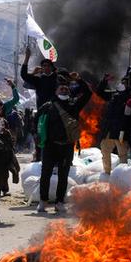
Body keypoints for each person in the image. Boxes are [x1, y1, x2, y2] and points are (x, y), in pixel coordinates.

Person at [37, 76, 92, 213]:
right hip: (50, 146)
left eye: (66, 89)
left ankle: (59, 202)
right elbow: (36, 122)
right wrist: (38, 138)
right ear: (56, 91)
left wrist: (79, 79)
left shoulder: (73, 105)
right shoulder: (48, 106)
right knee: (46, 173)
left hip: (67, 145)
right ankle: (43, 201)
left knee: (63, 175)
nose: (64, 90)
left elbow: (88, 93)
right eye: (61, 88)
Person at [97, 75, 130, 174]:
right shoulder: (113, 95)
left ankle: (122, 174)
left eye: (125, 83)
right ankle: (107, 173)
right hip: (108, 129)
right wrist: (104, 81)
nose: (122, 84)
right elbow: (100, 93)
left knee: (122, 153)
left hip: (121, 130)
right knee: (105, 150)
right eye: (122, 82)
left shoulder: (129, 96)